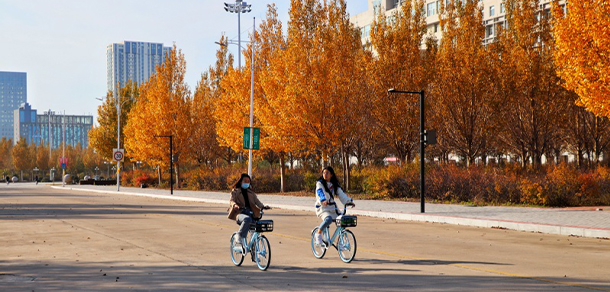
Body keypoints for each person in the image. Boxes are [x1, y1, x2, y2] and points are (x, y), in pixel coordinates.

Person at [314, 166, 355, 244]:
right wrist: (323, 200)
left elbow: (341, 194)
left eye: (327, 173)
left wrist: (349, 201)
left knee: (342, 221)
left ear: (331, 174)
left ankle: (341, 242)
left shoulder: (334, 185)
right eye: (324, 173)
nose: (325, 174)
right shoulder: (320, 183)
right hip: (322, 207)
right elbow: (320, 192)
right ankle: (318, 233)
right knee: (328, 219)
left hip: (332, 207)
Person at [228, 174, 270, 246]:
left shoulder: (251, 193)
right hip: (240, 213)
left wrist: (263, 206)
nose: (247, 183)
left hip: (251, 213)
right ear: (241, 181)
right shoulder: (235, 191)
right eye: (245, 181)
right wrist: (235, 205)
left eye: (248, 181)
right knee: (247, 219)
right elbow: (232, 200)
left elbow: (257, 202)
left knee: (256, 227)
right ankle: (239, 235)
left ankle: (254, 250)